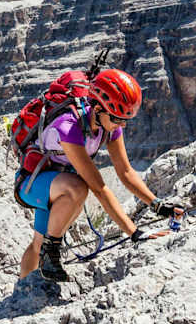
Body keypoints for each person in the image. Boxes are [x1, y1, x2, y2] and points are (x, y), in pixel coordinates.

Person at [17, 68, 165, 282]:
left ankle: (24, 285)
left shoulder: (109, 125)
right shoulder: (68, 127)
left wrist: (158, 205)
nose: (122, 125)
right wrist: (134, 233)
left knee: (38, 242)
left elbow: (125, 172)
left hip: (55, 186)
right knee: (78, 188)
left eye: (125, 120)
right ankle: (51, 255)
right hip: (32, 185)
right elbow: (99, 188)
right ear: (97, 108)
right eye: (117, 118)